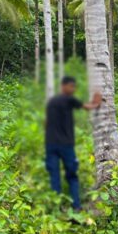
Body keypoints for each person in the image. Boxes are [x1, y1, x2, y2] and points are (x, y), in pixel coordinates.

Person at [44, 76, 102, 211]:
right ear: (63, 86)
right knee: (72, 175)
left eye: (74, 87)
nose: (73, 89)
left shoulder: (52, 101)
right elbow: (87, 107)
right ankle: (76, 205)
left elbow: (46, 122)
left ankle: (57, 207)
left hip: (50, 144)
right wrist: (96, 104)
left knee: (54, 175)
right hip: (65, 144)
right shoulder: (69, 99)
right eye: (71, 86)